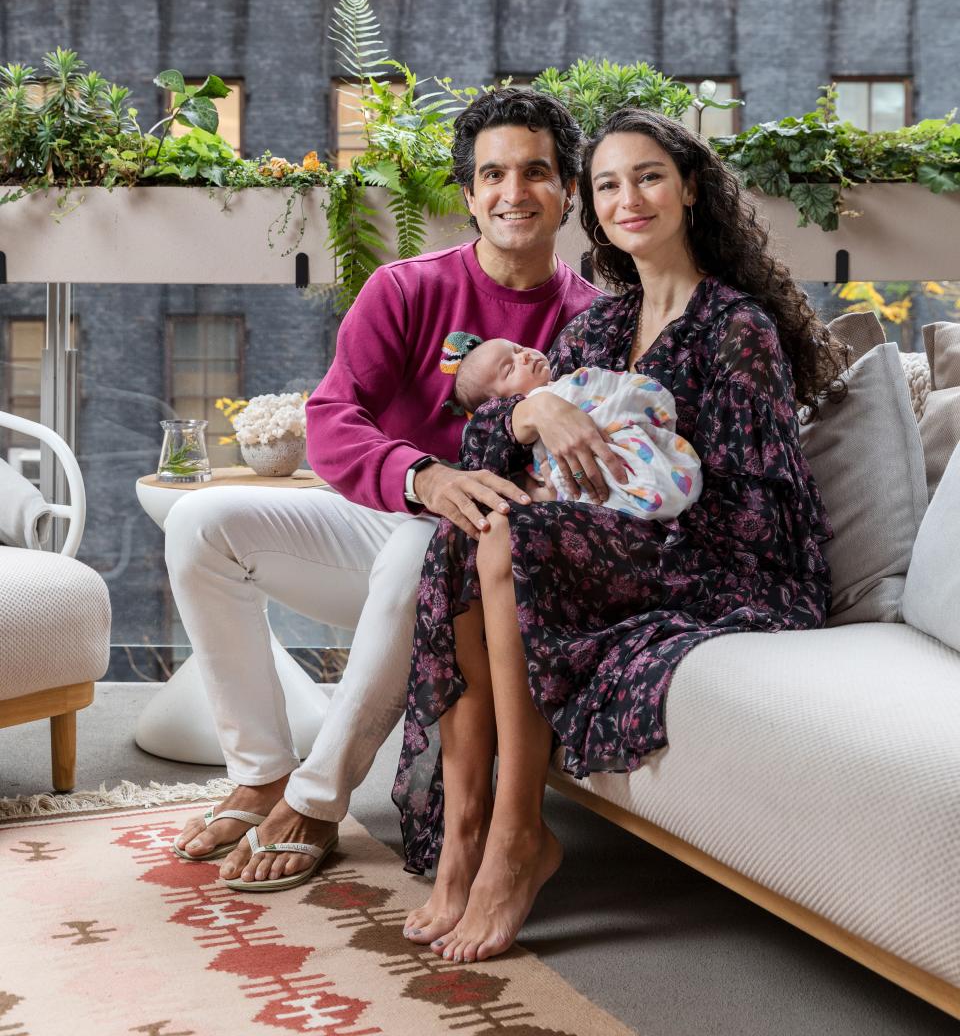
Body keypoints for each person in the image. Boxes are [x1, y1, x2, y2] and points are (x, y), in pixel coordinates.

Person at [393, 106, 848, 963]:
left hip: (716, 563)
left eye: (646, 177)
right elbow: (485, 451)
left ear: (689, 190)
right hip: (610, 545)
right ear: (591, 206)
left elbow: (758, 509)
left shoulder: (734, 327)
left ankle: (518, 836)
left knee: (514, 540)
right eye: (607, 184)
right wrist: (532, 407)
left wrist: (607, 510)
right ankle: (466, 831)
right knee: (469, 526)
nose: (627, 197)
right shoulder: (600, 322)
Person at [165, 88, 597, 891]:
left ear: (569, 189)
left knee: (422, 550)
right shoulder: (405, 288)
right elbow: (331, 420)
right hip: (383, 517)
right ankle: (260, 771)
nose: (514, 193)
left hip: (482, 561)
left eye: (536, 172)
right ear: (467, 193)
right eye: (492, 174)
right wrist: (420, 474)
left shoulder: (596, 322)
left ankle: (318, 799)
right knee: (199, 521)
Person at [450, 335, 702, 519]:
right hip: (599, 485)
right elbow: (544, 470)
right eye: (510, 367)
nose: (524, 356)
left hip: (628, 445)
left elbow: (618, 389)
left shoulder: (577, 380)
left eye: (518, 348)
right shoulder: (522, 426)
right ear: (500, 403)